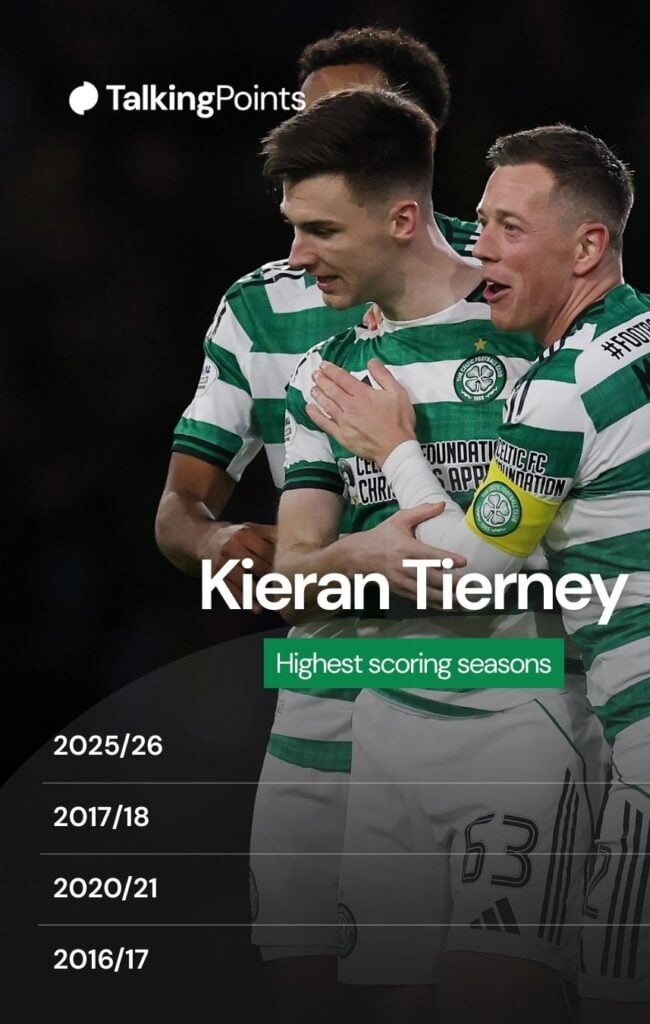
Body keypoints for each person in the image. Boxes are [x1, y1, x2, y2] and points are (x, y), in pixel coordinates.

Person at [309, 123, 650, 1023]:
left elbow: (460, 571)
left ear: (587, 246)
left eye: (509, 227)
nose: (480, 246)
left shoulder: (562, 387)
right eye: (480, 222)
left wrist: (392, 448)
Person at [153, 28, 478, 1022]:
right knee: (309, 985)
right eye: (303, 120)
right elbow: (179, 504)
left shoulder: (509, 283)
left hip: (471, 678)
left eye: (344, 120)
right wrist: (212, 545)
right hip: (321, 683)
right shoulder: (261, 307)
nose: (315, 138)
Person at [265, 87, 603, 1024]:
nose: (296, 258)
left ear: (403, 217)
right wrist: (361, 554)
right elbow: (292, 569)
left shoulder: (537, 335)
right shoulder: (322, 379)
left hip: (520, 712)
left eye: (320, 230)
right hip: (385, 724)